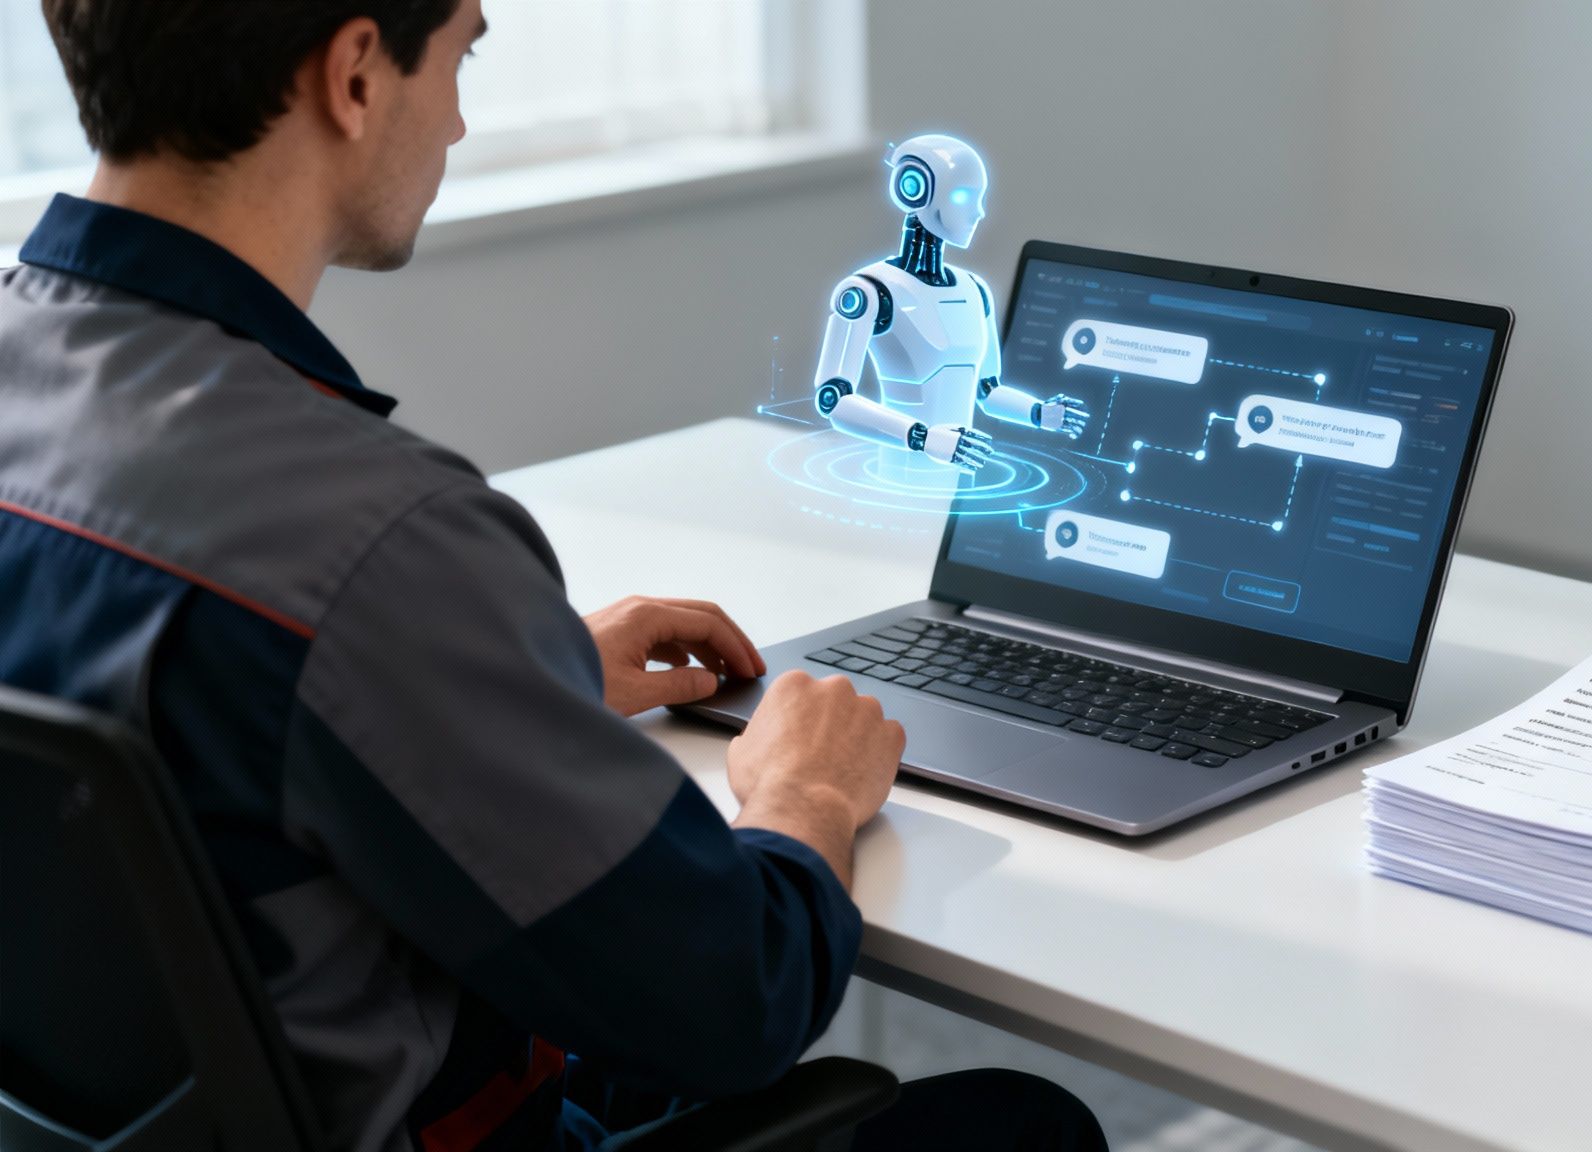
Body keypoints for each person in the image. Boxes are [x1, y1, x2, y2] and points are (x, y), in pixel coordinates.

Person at [0, 2, 1107, 1150]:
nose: (464, 120)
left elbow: (181, 701)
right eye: (464, 53)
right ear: (356, 75)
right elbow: (735, 1002)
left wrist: (503, 676)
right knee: (1022, 1126)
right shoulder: (383, 542)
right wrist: (808, 796)